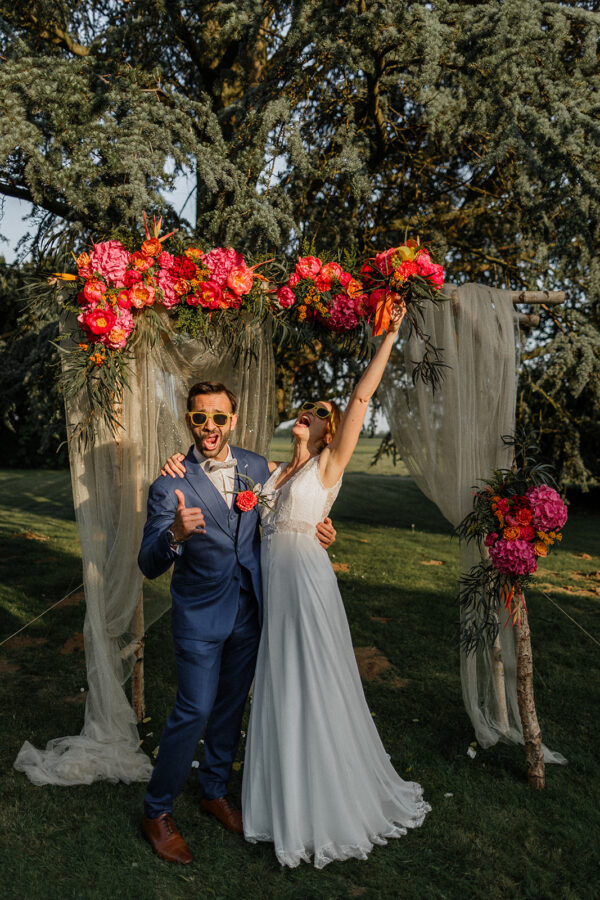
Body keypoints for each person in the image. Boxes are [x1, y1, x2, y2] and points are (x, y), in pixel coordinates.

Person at [162, 304, 431, 868]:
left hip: (306, 587)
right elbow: (246, 511)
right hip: (271, 597)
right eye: (307, 408)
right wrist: (175, 467)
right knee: (280, 688)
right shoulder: (271, 472)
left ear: (332, 429)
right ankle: (280, 795)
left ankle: (330, 796)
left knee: (316, 682)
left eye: (321, 412)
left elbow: (361, 398)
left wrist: (386, 339)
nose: (310, 412)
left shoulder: (329, 464)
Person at [137, 381, 335, 865]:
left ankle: (213, 790)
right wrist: (174, 535)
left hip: (250, 610)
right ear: (188, 420)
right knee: (194, 709)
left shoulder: (256, 467)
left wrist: (323, 528)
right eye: (199, 417)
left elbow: (302, 488)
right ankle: (157, 809)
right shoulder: (168, 483)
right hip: (199, 616)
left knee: (229, 708)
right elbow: (148, 563)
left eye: (219, 418)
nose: (209, 427)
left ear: (234, 420)